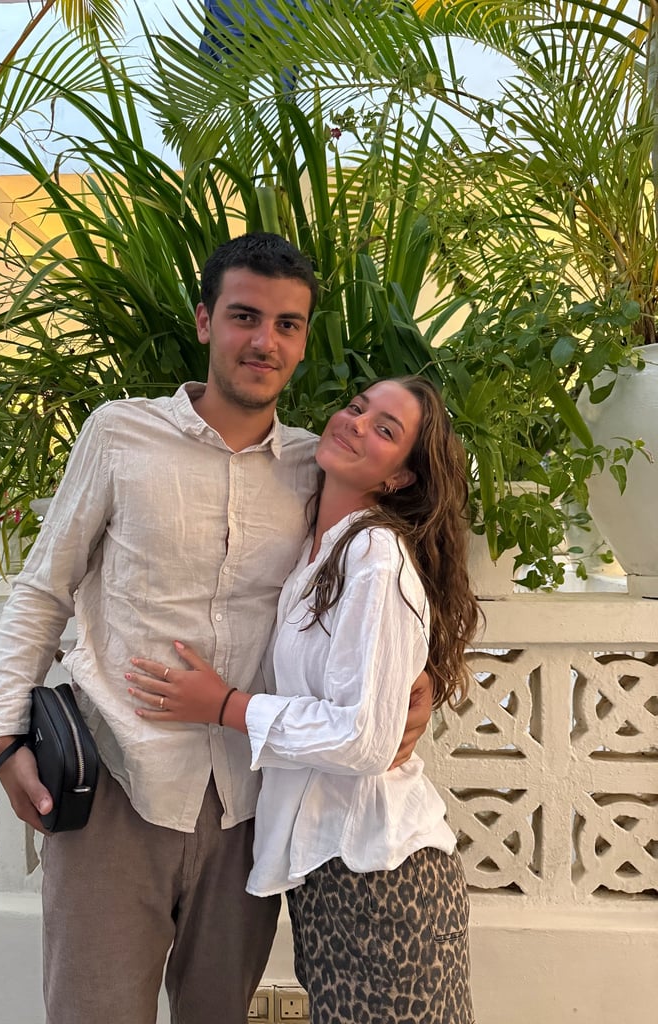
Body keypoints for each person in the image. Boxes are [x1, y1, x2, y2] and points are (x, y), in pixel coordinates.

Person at [0, 232, 432, 1024]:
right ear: (207, 321)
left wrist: (426, 680)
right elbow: (44, 587)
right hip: (116, 781)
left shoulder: (319, 466)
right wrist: (2, 737)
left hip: (249, 800)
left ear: (302, 341)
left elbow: (400, 578)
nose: (264, 341)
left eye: (286, 325)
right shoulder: (119, 434)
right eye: (245, 316)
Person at [126, 374, 481, 1024]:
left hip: (382, 873)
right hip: (332, 873)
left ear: (399, 477)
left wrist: (225, 706)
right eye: (357, 407)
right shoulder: (317, 552)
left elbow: (365, 740)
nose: (356, 423)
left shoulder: (375, 556)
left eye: (384, 429)